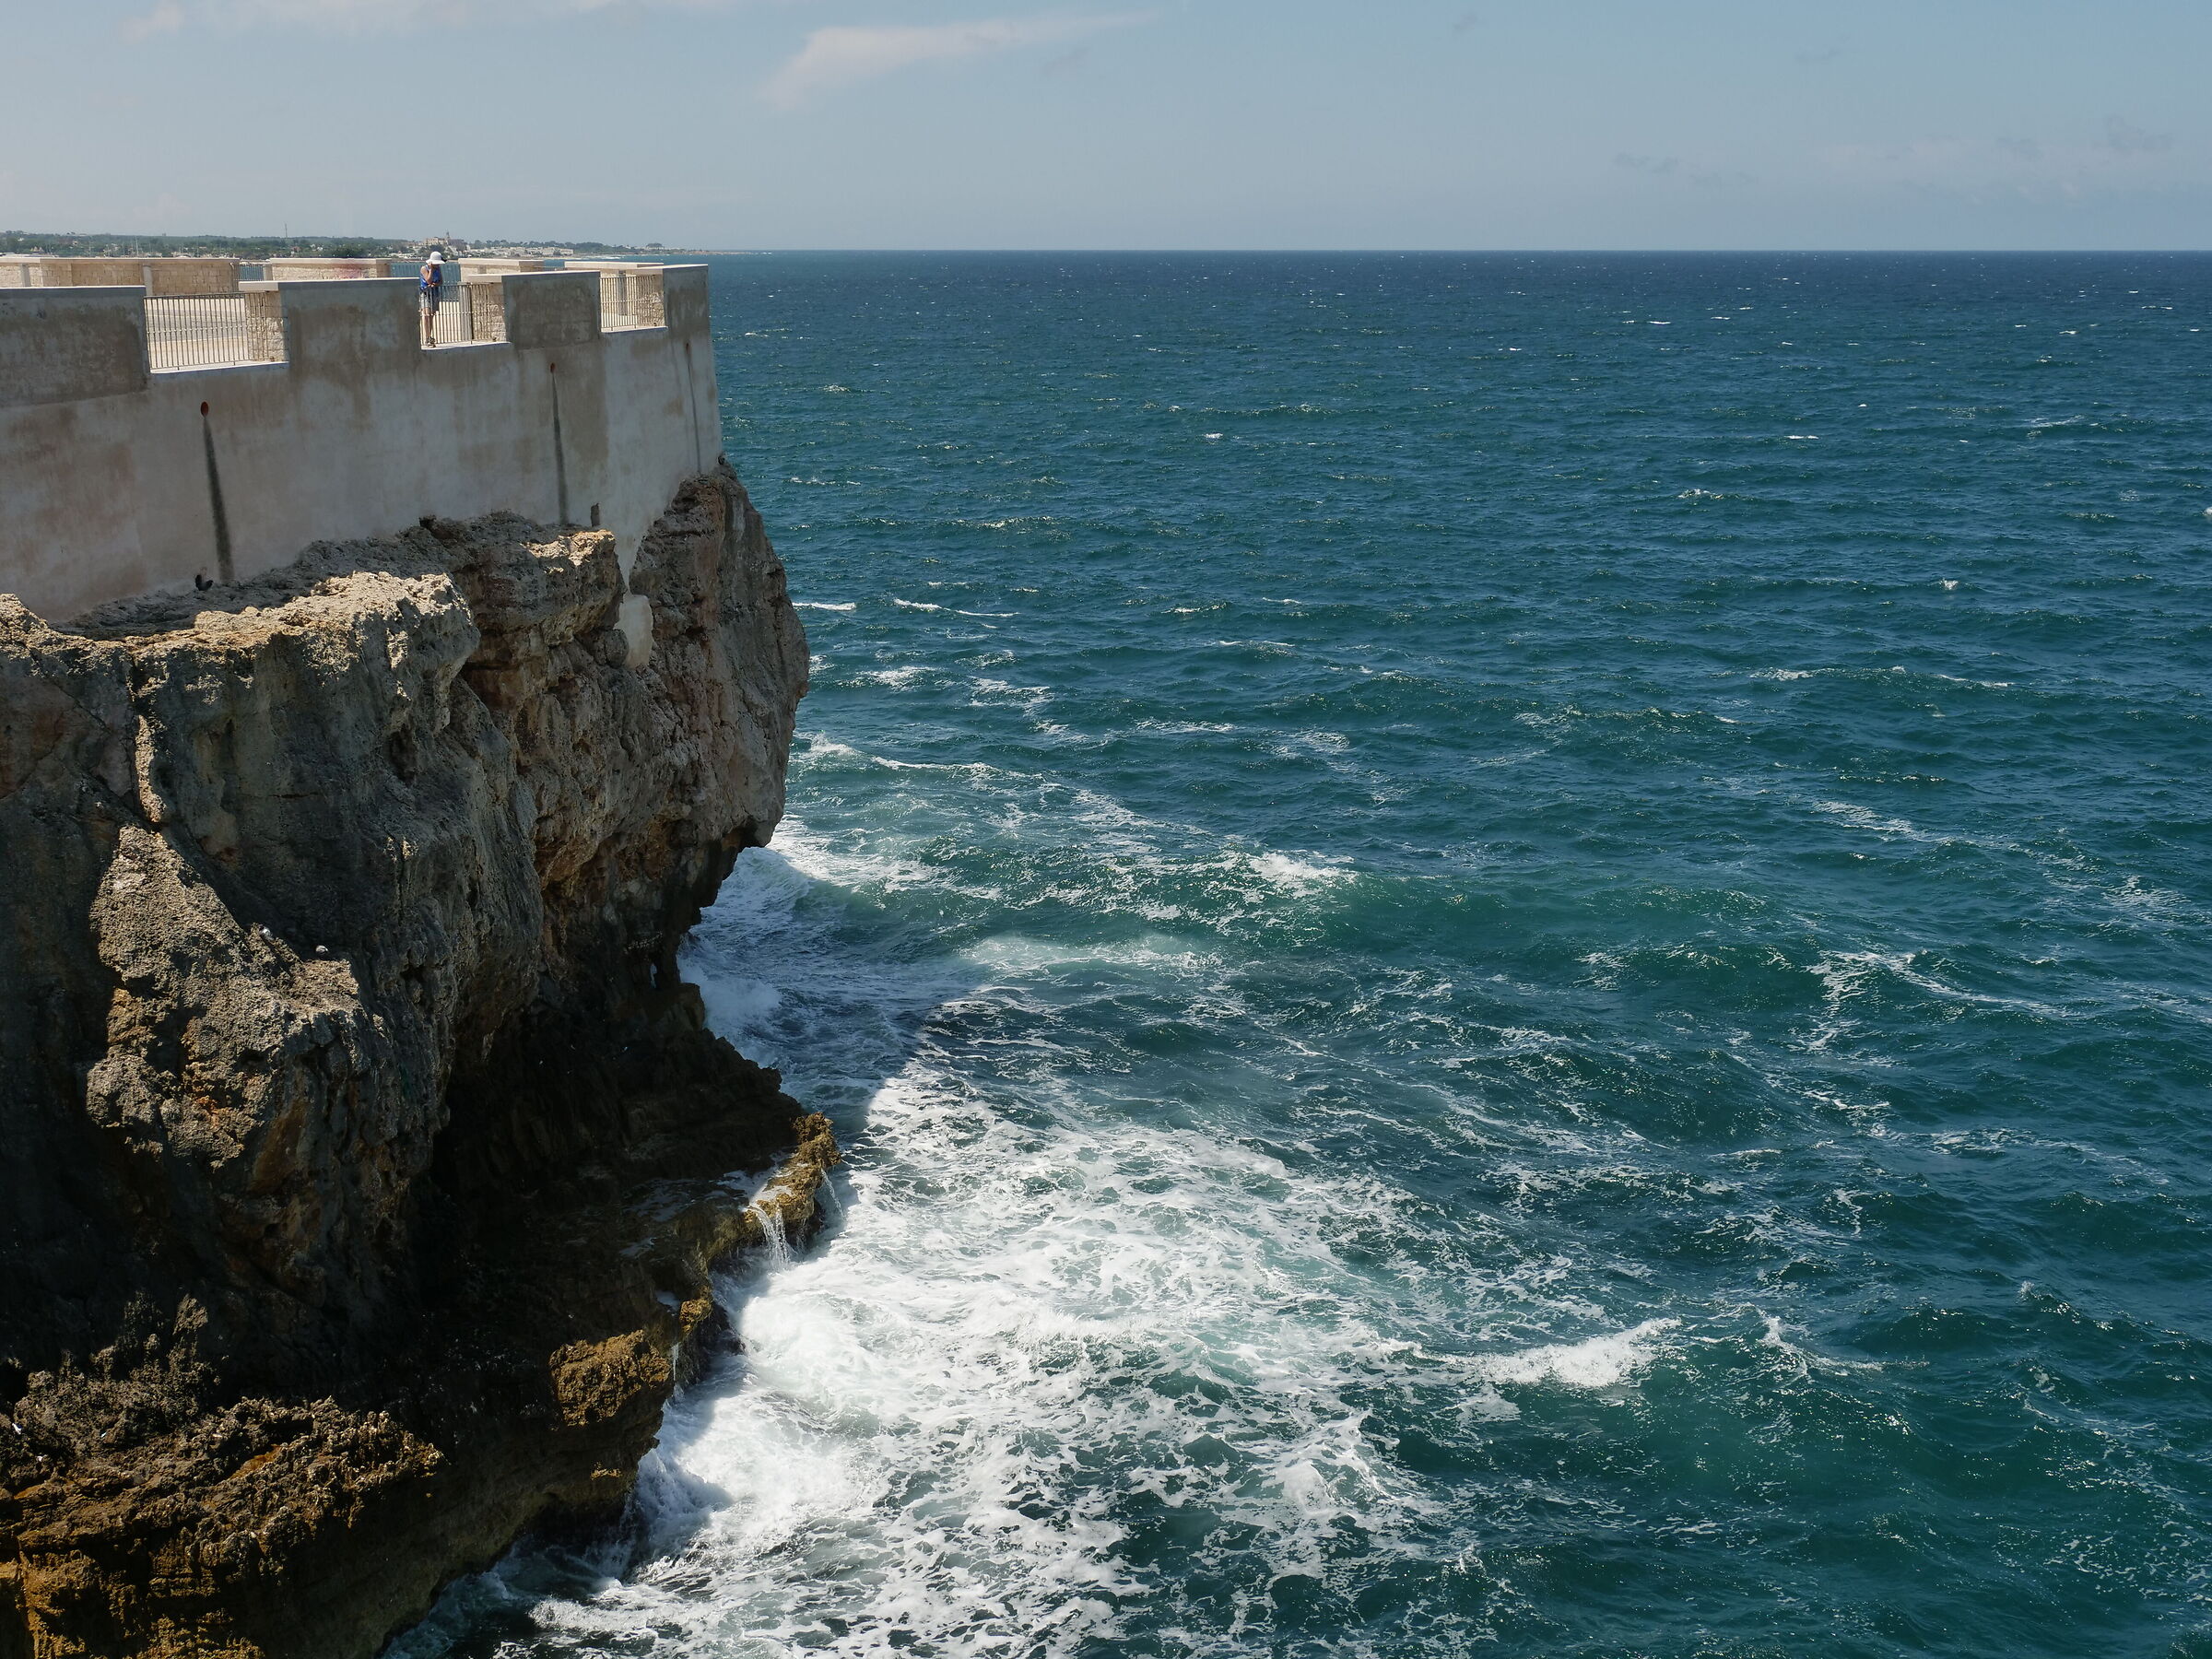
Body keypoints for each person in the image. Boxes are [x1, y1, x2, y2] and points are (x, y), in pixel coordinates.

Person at [418, 250, 446, 345]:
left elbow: (441, 281)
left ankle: (428, 336)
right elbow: (428, 280)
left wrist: (436, 284)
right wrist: (430, 270)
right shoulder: (424, 268)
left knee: (431, 316)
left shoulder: (438, 269)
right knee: (427, 315)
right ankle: (426, 337)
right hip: (426, 294)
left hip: (434, 293)